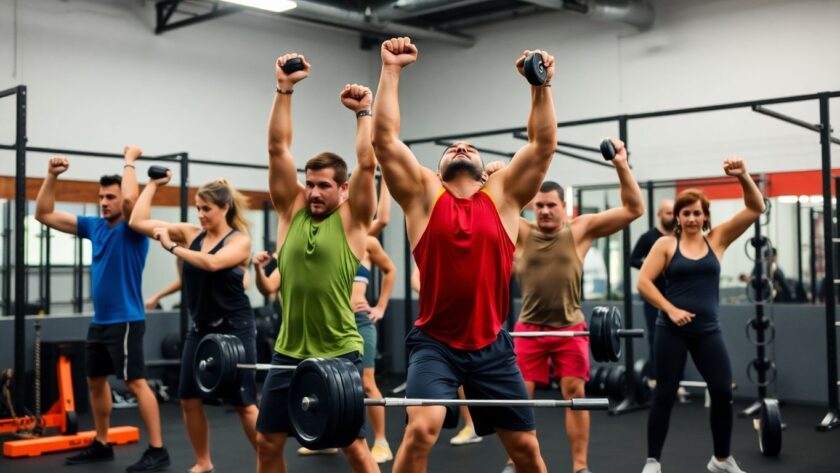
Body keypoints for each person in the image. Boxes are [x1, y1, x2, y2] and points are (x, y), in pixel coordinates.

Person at [372, 36, 557, 473]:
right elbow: (384, 140)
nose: (461, 147)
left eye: (470, 147)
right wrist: (391, 71)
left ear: (483, 167)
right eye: (452, 148)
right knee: (421, 430)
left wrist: (540, 84)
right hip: (434, 344)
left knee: (527, 451)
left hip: (492, 346)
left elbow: (543, 146)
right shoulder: (422, 195)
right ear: (436, 170)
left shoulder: (505, 196)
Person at [254, 53, 379, 473]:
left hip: (339, 350)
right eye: (309, 183)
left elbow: (367, 162)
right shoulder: (290, 212)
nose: (313, 192)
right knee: (267, 443)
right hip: (288, 351)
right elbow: (277, 147)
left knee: (354, 448)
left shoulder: (352, 220)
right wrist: (284, 88)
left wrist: (363, 113)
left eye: (324, 185)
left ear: (343, 189)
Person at [506, 140, 643, 473]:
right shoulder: (520, 231)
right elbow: (492, 203)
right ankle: (517, 460)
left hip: (570, 327)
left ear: (564, 207)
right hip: (529, 330)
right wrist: (499, 175)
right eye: (539, 206)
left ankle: (580, 466)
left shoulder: (580, 230)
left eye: (551, 205)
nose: (545, 211)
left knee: (575, 392)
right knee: (519, 396)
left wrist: (622, 165)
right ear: (531, 207)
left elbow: (634, 209)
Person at [34, 147, 170, 472]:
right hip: (100, 321)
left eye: (110, 196)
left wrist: (129, 161)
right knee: (95, 380)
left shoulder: (135, 228)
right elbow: (43, 214)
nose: (104, 202)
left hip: (126, 320)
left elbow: (130, 201)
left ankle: (157, 449)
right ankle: (102, 441)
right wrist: (52, 176)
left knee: (136, 382)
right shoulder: (94, 226)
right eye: (101, 197)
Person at [637, 158, 764, 473]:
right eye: (686, 213)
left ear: (705, 215)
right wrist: (671, 309)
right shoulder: (667, 244)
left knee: (722, 390)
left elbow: (756, 207)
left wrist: (743, 176)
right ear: (678, 217)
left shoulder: (717, 239)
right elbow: (643, 282)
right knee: (665, 393)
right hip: (671, 329)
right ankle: (653, 461)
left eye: (697, 212)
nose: (692, 218)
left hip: (708, 330)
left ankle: (721, 459)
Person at [130, 172, 258, 473]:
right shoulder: (191, 233)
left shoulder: (240, 241)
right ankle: (203, 462)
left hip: (235, 329)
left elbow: (212, 263)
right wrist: (152, 186)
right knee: (188, 399)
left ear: (225, 207)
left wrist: (172, 247)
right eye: (198, 208)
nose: (200, 214)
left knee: (244, 404)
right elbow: (137, 221)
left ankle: (268, 462)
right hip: (199, 328)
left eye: (206, 209)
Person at [411, 264, 483, 447]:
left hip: (469, 322)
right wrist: (436, 299)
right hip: (437, 326)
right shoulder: (429, 243)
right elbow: (415, 279)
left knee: (465, 373)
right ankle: (469, 424)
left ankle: (472, 425)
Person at [630, 199, 675, 384]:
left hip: (674, 294)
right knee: (655, 335)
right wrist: (653, 266)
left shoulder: (678, 238)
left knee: (676, 337)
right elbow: (632, 259)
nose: (671, 217)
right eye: (668, 213)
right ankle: (656, 378)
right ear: (659, 214)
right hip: (652, 294)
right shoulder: (648, 237)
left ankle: (673, 380)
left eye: (674, 213)